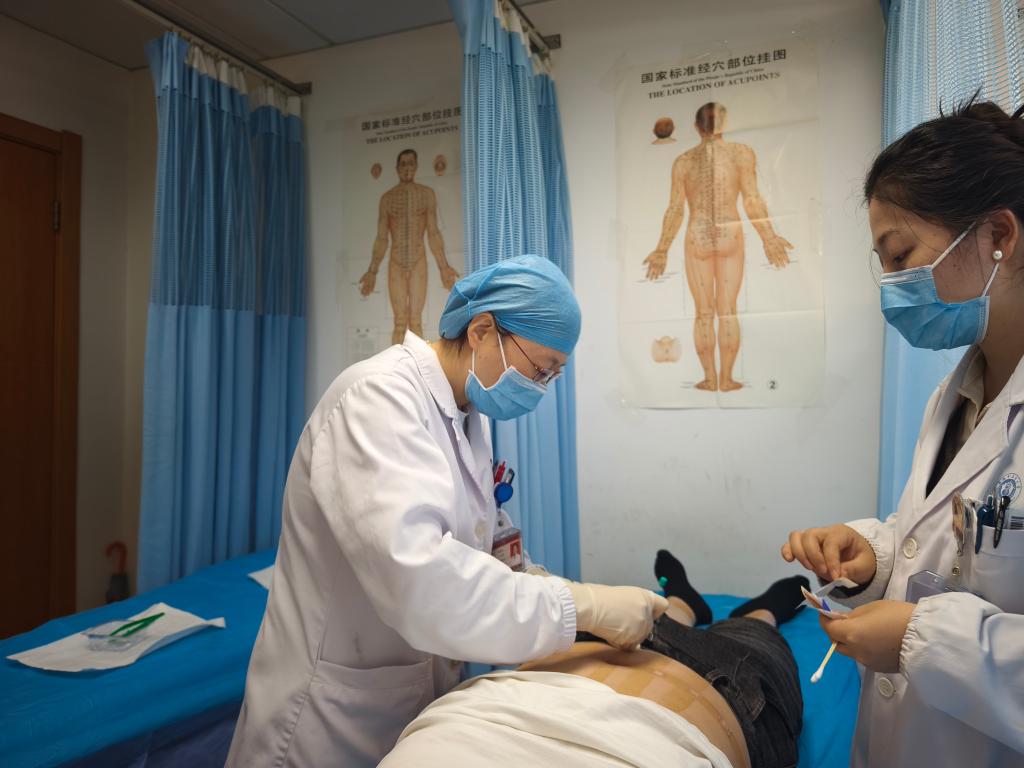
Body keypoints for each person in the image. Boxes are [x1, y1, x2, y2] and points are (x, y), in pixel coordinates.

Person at [227, 255, 668, 767]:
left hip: (409, 704)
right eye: (540, 368)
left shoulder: (468, 416)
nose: (541, 386)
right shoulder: (377, 398)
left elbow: (477, 541)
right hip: (327, 720)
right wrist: (580, 606)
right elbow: (423, 581)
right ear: (481, 331)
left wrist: (533, 579)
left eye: (553, 375)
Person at [782, 99, 1024, 767]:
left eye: (901, 256)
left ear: (998, 235)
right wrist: (876, 555)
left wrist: (924, 639)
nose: (891, 285)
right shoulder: (957, 394)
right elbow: (950, 547)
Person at [382, 549, 808, 768]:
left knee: (651, 618)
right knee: (754, 636)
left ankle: (681, 603)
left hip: (566, 660)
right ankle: (759, 611)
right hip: (720, 686)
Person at [643, 102, 793, 392]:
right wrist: (769, 237)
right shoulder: (741, 153)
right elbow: (752, 199)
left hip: (697, 236)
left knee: (703, 313)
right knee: (727, 311)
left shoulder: (683, 161)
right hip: (729, 235)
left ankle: (710, 379)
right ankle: (726, 379)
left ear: (696, 127)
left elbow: (675, 210)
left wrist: (662, 249)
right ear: (725, 124)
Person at [359, 148, 460, 344]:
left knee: (415, 321)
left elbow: (433, 233)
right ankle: (396, 363)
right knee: (399, 322)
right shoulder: (387, 198)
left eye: (411, 163)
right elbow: (382, 238)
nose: (407, 168)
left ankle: (417, 364)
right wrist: (372, 271)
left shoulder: (427, 194)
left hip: (418, 261)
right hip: (396, 262)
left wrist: (444, 267)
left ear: (416, 166)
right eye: (403, 164)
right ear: (397, 168)